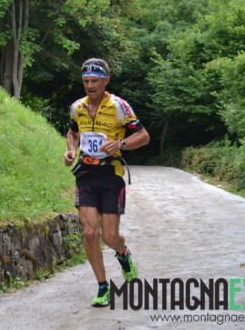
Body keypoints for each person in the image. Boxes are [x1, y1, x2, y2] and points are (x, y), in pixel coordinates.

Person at [64, 58, 150, 307]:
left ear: (106, 81)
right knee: (90, 232)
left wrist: (120, 144)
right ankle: (103, 287)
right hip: (86, 175)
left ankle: (123, 254)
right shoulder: (77, 107)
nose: (90, 86)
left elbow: (143, 136)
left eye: (95, 81)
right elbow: (73, 133)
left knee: (110, 238)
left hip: (111, 175)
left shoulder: (119, 106)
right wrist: (71, 151)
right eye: (86, 81)